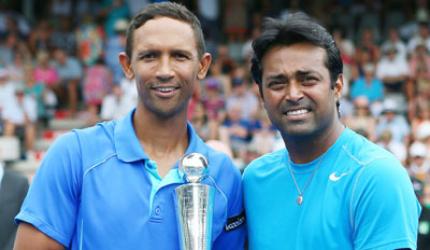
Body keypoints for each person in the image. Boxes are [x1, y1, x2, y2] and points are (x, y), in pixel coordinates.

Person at [13, 2, 245, 250]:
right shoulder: (75, 154)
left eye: (179, 56)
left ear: (202, 66)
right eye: (150, 56)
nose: (165, 71)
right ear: (127, 65)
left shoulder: (224, 175)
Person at [243, 12, 420, 249]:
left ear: (337, 87)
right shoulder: (254, 178)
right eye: (277, 83)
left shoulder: (376, 175)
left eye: (308, 80)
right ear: (262, 95)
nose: (293, 94)